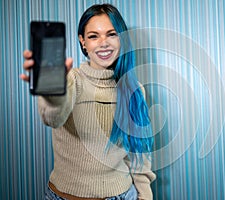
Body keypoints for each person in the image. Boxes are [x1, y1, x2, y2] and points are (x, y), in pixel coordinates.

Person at [20, 4, 156, 200]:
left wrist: (145, 196)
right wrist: (51, 93)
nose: (104, 43)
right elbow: (52, 118)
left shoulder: (135, 90)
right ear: (82, 42)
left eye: (111, 34)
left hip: (123, 195)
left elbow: (139, 155)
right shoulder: (71, 81)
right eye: (94, 36)